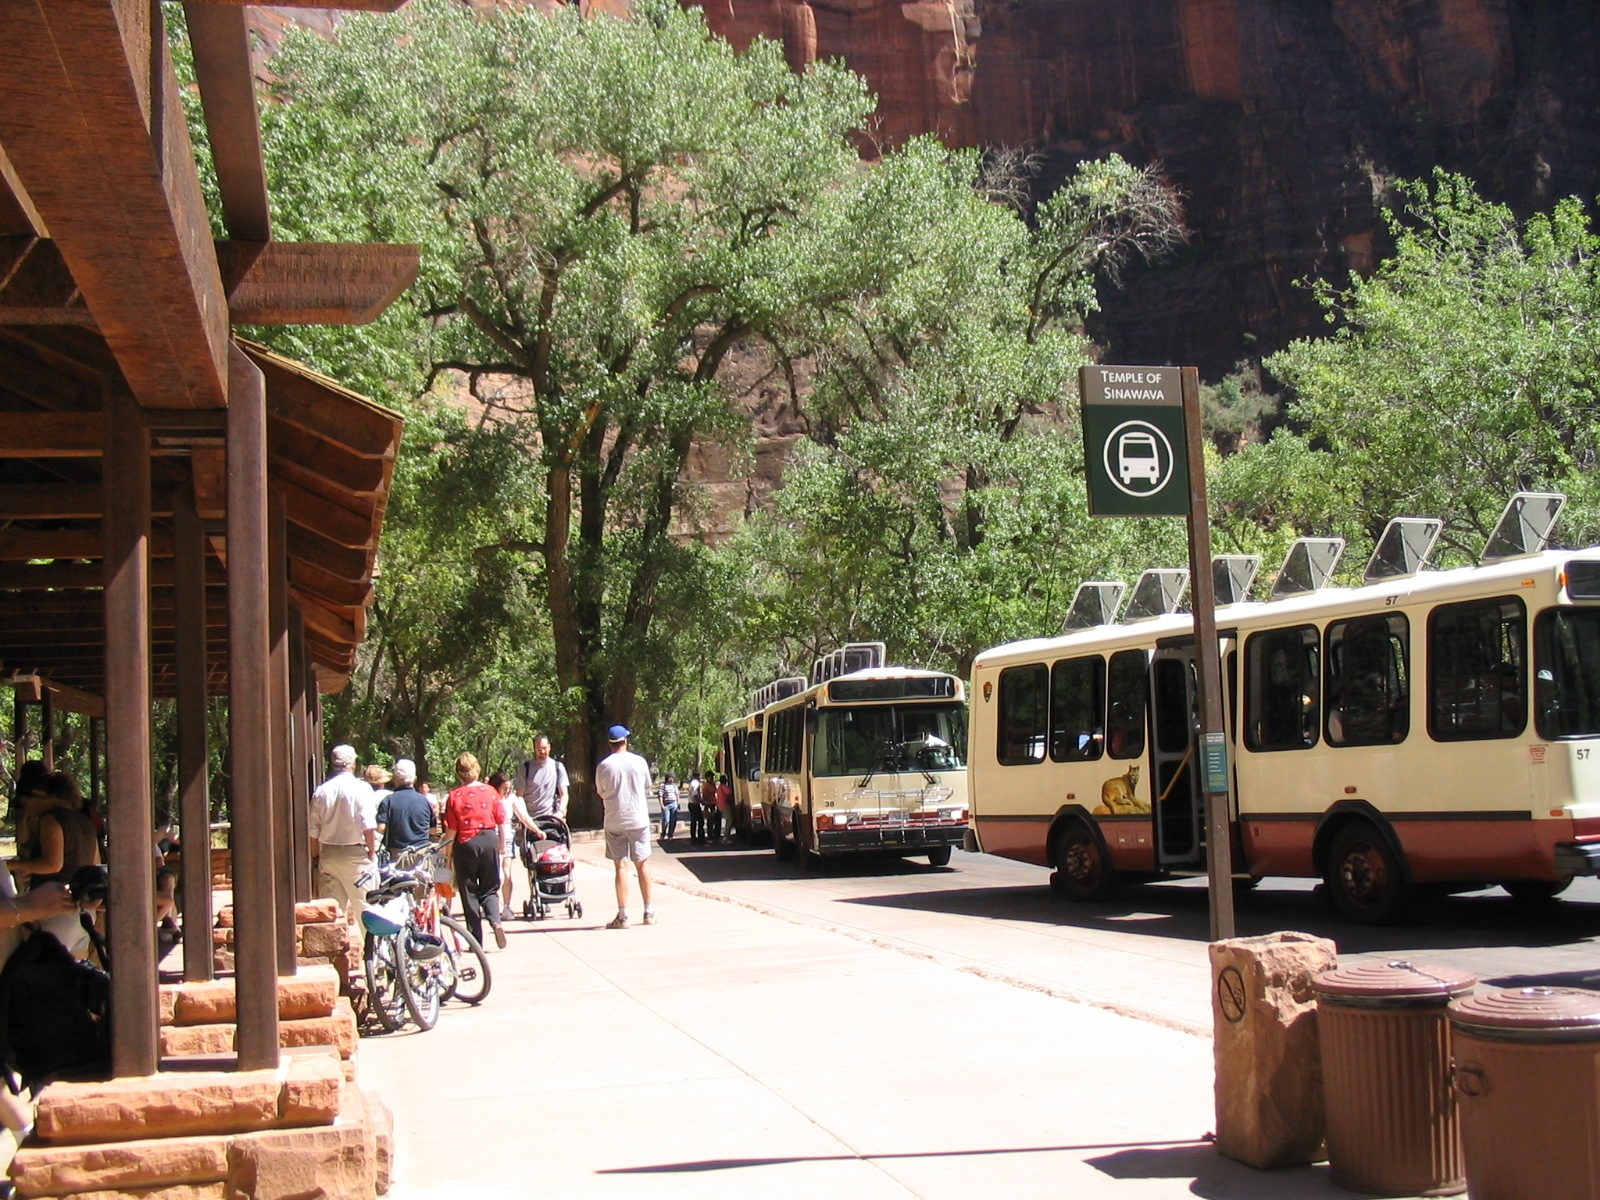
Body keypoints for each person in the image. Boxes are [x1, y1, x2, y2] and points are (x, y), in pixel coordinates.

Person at [8, 771, 101, 956]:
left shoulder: (51, 819)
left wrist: (16, 865)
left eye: (26, 804)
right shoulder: (83, 820)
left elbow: (53, 864)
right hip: (84, 909)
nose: (28, 811)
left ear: (38, 795)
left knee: (47, 973)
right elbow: (95, 863)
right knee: (73, 974)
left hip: (55, 907)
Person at [442, 752, 507, 949]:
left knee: (469, 891)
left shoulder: (454, 796)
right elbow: (501, 821)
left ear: (459, 773)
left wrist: (447, 854)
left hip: (466, 843)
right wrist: (502, 845)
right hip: (489, 839)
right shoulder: (491, 792)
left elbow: (451, 829)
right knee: (490, 887)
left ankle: (475, 940)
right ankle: (495, 921)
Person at [307, 745, 378, 921]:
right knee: (367, 910)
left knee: (332, 913)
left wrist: (316, 857)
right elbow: (368, 825)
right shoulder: (362, 788)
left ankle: (334, 947)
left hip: (329, 854)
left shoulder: (321, 791)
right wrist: (372, 851)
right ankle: (368, 948)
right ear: (352, 764)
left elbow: (313, 831)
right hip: (356, 855)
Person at [594, 725, 655, 929]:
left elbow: (601, 792)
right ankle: (649, 911)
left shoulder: (603, 766)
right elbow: (648, 786)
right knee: (642, 864)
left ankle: (623, 915)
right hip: (638, 819)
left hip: (614, 820)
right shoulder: (639, 762)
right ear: (626, 741)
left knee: (621, 865)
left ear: (610, 743)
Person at [375, 759, 437, 856]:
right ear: (415, 779)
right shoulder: (425, 802)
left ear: (395, 779)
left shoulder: (388, 801)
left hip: (395, 854)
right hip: (421, 853)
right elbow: (433, 830)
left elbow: (381, 828)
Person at [513, 735, 569, 823]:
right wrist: (525, 817)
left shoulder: (557, 767)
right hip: (531, 820)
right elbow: (519, 796)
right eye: (538, 749)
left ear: (549, 747)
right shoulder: (525, 768)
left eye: (544, 748)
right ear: (534, 749)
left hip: (551, 817)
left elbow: (564, 794)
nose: (542, 751)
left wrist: (560, 812)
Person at [490, 771, 518, 914]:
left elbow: (523, 816)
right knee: (492, 874)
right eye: (504, 788)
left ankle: (506, 906)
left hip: (507, 837)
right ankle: (489, 906)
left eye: (509, 788)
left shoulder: (511, 799)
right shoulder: (490, 799)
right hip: (491, 837)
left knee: (507, 873)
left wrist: (537, 830)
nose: (507, 791)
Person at [658, 774, 680, 842]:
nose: (672, 779)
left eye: (673, 778)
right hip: (666, 804)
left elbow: (677, 794)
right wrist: (662, 805)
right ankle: (663, 833)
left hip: (674, 803)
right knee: (666, 820)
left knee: (673, 820)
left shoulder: (674, 785)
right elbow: (660, 795)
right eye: (671, 778)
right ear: (667, 778)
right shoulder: (663, 785)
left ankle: (670, 834)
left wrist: (678, 803)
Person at [686, 770, 705, 845]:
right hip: (694, 804)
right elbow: (695, 795)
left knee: (694, 822)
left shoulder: (692, 783)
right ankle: (700, 838)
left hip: (691, 803)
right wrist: (701, 801)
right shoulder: (695, 783)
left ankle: (694, 837)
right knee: (700, 821)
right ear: (698, 776)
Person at [704, 771, 723, 844]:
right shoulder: (705, 786)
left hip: (715, 803)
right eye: (710, 777)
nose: (711, 778)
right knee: (710, 821)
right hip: (709, 804)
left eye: (712, 777)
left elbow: (715, 792)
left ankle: (717, 836)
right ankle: (710, 837)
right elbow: (705, 797)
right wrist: (707, 806)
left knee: (718, 820)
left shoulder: (713, 784)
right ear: (707, 778)